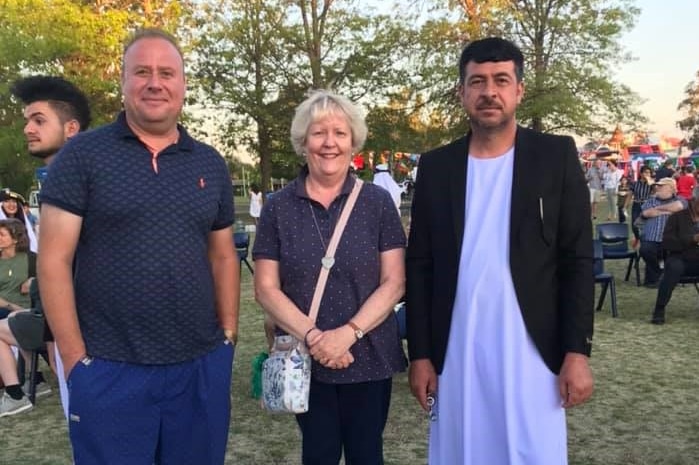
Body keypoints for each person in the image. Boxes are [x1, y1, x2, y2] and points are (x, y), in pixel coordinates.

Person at [38, 28, 239, 464]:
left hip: (199, 364)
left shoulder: (209, 162)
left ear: (182, 84)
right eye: (142, 71)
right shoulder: (83, 156)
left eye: (167, 72)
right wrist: (75, 361)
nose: (155, 82)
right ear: (124, 82)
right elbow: (53, 260)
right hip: (109, 367)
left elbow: (223, 254)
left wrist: (227, 338)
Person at [405, 37, 594, 465]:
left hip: (533, 350)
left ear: (519, 90)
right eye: (477, 81)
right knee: (461, 452)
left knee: (532, 453)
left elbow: (577, 259)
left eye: (501, 80)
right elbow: (420, 266)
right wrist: (420, 354)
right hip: (456, 349)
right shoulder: (436, 167)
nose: (489, 91)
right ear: (462, 92)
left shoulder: (555, 156)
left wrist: (577, 353)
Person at [253, 89, 407, 464]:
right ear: (303, 142)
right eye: (319, 132)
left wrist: (347, 334)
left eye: (339, 133)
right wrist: (316, 338)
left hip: (368, 355)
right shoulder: (278, 208)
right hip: (307, 358)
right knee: (318, 454)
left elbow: (395, 282)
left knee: (366, 454)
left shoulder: (377, 202)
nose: (329, 143)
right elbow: (265, 287)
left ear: (353, 141)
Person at [11, 74, 92, 418]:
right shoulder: (52, 186)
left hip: (91, 335)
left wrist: (72, 350)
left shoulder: (90, 182)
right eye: (28, 120)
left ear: (71, 128)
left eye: (39, 120)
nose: (28, 128)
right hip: (60, 329)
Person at [0, 218, 42, 417]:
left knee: (17, 322)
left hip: (31, 312)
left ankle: (18, 389)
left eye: (1, 235)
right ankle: (35, 379)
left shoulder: (31, 259)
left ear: (15, 238)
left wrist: (34, 280)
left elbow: (44, 282)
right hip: (8, 309)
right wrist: (13, 307)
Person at [650, 195, 699, 324]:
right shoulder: (677, 218)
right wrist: (692, 239)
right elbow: (667, 243)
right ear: (693, 201)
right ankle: (659, 309)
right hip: (679, 257)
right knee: (674, 268)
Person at [639, 177, 686, 288]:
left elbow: (678, 206)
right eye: (657, 186)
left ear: (671, 188)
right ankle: (656, 275)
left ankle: (667, 278)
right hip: (652, 237)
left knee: (676, 251)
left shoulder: (680, 199)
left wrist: (658, 209)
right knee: (645, 250)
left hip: (671, 238)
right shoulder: (651, 200)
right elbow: (646, 213)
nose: (657, 188)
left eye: (661, 186)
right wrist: (667, 211)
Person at [630, 165, 655, 246]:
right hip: (636, 204)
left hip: (647, 205)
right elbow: (630, 194)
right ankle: (637, 238)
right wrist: (625, 205)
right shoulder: (635, 183)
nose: (648, 174)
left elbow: (655, 191)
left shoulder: (652, 183)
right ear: (641, 173)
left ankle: (645, 240)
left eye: (649, 173)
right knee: (634, 224)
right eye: (646, 172)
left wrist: (650, 181)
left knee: (646, 224)